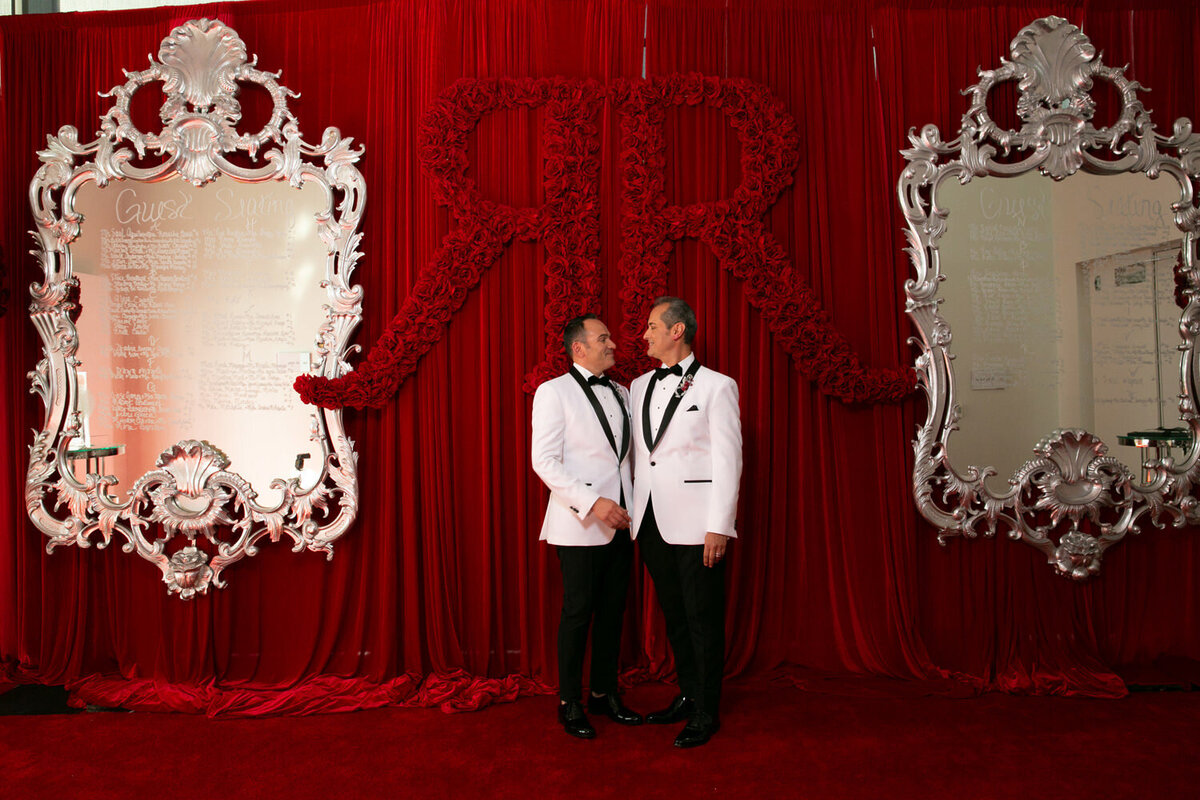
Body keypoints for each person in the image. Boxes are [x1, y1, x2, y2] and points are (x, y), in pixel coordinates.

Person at [630, 296, 742, 748]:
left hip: (699, 525)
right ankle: (688, 694)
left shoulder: (718, 386)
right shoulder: (638, 386)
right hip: (651, 519)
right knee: (675, 616)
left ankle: (706, 711)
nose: (645, 335)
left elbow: (729, 459)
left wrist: (720, 524)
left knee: (702, 618)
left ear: (677, 331)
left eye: (653, 326)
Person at [531, 314, 644, 739]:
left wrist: (627, 507)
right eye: (603, 339)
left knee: (614, 611)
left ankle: (603, 692)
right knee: (578, 613)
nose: (613, 344)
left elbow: (626, 459)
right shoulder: (553, 392)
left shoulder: (622, 391)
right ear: (578, 348)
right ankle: (569, 701)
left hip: (622, 520)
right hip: (578, 522)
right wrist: (593, 503)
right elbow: (544, 460)